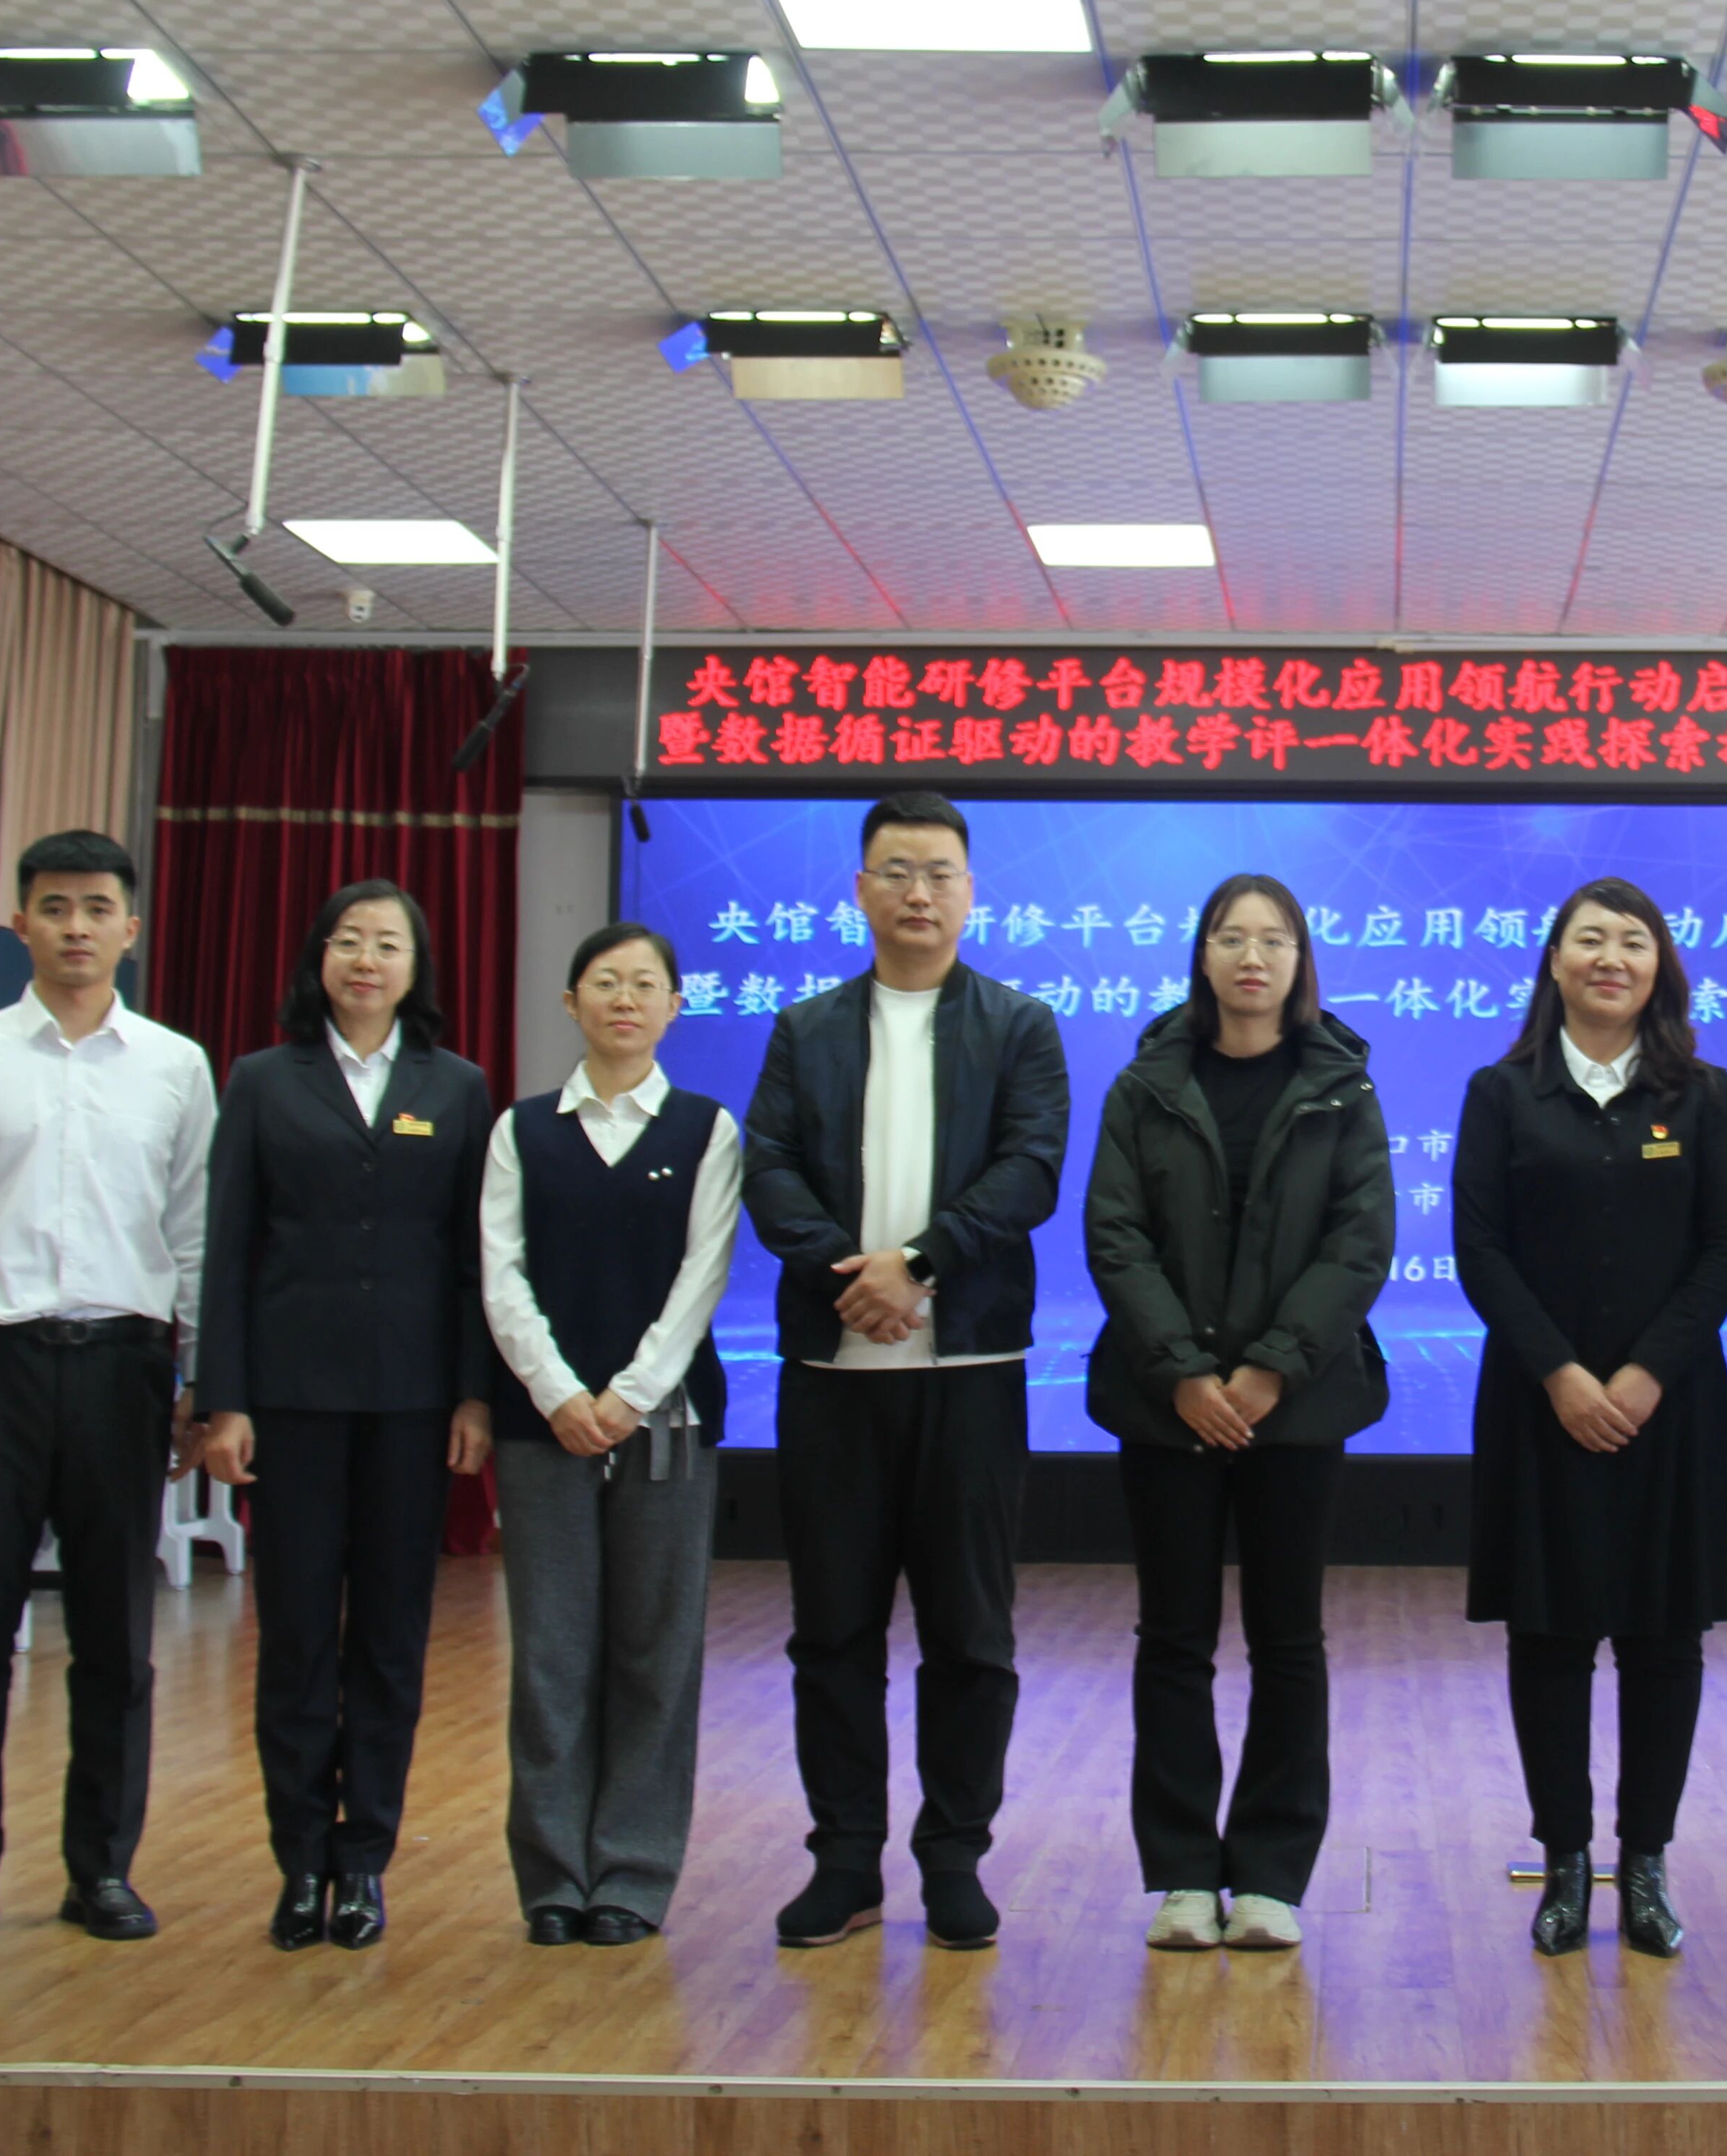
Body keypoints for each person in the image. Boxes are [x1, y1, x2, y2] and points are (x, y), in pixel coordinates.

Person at [744, 791, 1072, 1954]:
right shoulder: (806, 1029)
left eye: (938, 872)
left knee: (970, 1634)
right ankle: (844, 1861)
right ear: (860, 891)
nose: (918, 892)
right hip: (835, 1368)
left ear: (971, 893)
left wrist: (920, 1264)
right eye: (895, 871)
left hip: (969, 1365)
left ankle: (953, 1859)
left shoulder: (1019, 1025)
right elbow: (769, 1166)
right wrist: (856, 1275)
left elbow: (1032, 1169)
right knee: (831, 1632)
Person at [0, 830, 215, 1952]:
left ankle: (101, 1870)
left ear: (131, 928)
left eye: (97, 908)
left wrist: (202, 1377)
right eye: (56, 907)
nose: (77, 927)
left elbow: (195, 1233)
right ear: (20, 922)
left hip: (125, 1368)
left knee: (117, 1638)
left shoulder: (175, 1066)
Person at [1084, 874, 1395, 1954]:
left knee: (1288, 1641)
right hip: (1165, 1408)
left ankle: (1270, 1878)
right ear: (1202, 956)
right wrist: (1182, 1372)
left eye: (1274, 940)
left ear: (1301, 960)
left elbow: (1360, 1241)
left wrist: (1271, 1370)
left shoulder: (1344, 1087)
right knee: (1173, 1640)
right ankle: (1181, 1873)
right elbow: (1115, 1235)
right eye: (1231, 938)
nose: (1252, 957)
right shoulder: (1146, 1083)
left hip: (1294, 1413)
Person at [196, 880, 496, 1954]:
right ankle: (299, 1861)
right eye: (349, 941)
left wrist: (474, 1391)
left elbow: (474, 1256)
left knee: (389, 1637)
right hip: (290, 1402)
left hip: (414, 1404)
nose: (367, 961)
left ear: (417, 968)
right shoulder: (262, 1081)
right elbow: (229, 1248)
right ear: (319, 957)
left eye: (389, 945)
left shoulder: (456, 1087)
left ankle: (364, 1857)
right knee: (293, 1637)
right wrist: (222, 1399)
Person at [1455, 877, 1727, 1962]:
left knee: (1664, 1639)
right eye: (1590, 940)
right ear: (1555, 961)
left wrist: (1644, 1374)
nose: (1611, 958)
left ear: (1659, 966)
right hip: (1541, 1405)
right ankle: (1568, 1862)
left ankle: (1650, 1862)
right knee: (1550, 1636)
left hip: (1668, 1408)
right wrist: (1565, 1377)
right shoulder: (1503, 1092)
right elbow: (1480, 1248)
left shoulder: (1703, 1094)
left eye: (1634, 941)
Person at [479, 923, 742, 1948]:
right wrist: (557, 1394)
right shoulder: (522, 1131)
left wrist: (629, 1396)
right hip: (541, 1427)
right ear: (571, 1002)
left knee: (654, 1654)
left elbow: (703, 1278)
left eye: (644, 984)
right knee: (550, 1655)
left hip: (665, 1427)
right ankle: (553, 1878)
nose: (624, 999)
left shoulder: (706, 1129)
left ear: (675, 1005)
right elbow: (501, 1274)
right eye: (604, 981)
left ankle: (632, 1875)